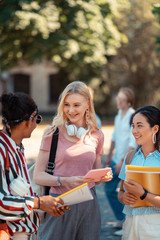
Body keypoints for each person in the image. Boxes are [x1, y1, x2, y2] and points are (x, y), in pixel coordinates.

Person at [33, 81, 113, 240]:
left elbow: (95, 179)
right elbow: (38, 176)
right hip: (58, 204)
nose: (70, 110)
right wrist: (66, 180)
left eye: (76, 105)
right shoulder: (52, 132)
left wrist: (102, 177)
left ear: (88, 105)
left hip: (88, 205)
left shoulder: (97, 135)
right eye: (67, 104)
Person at [0, 92, 69, 240]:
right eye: (37, 119)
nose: (36, 124)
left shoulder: (17, 146)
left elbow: (20, 193)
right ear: (28, 121)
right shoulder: (1, 150)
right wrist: (38, 203)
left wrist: (46, 205)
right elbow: (2, 203)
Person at [118, 105, 160, 240]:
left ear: (155, 128)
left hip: (155, 226)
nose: (134, 131)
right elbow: (121, 191)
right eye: (133, 126)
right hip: (130, 224)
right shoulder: (130, 157)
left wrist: (143, 194)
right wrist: (123, 197)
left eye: (139, 126)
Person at [103, 87, 137, 235]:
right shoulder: (118, 115)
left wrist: (122, 162)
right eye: (118, 98)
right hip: (116, 160)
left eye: (122, 99)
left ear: (128, 103)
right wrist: (109, 157)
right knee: (109, 189)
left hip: (127, 162)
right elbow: (114, 138)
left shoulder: (133, 116)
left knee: (128, 193)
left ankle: (127, 224)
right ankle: (122, 219)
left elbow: (133, 142)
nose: (118, 101)